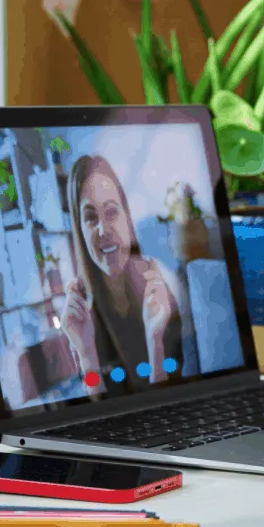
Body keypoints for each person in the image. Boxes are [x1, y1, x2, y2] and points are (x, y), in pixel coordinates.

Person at [61, 153, 184, 386]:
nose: (103, 229)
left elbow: (177, 383)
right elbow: (95, 403)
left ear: (126, 217)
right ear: (79, 230)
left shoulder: (159, 280)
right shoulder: (79, 309)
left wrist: (156, 340)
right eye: (90, 217)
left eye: (111, 212)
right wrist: (86, 354)